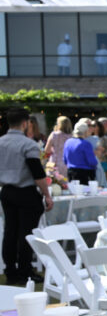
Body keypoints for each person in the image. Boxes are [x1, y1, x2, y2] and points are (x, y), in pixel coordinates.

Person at [0, 108, 52, 285]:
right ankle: (25, 270)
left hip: (7, 191)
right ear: (25, 123)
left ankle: (10, 270)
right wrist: (47, 195)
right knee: (26, 233)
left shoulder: (1, 142)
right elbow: (37, 173)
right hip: (26, 192)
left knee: (10, 232)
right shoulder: (28, 144)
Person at [63, 119, 99, 185]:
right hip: (85, 174)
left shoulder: (67, 142)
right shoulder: (85, 144)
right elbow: (92, 162)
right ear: (85, 132)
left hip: (71, 172)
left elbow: (65, 160)